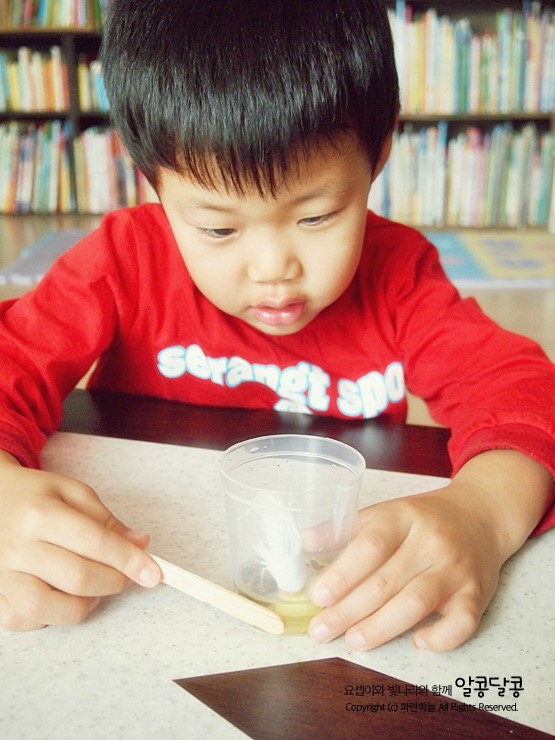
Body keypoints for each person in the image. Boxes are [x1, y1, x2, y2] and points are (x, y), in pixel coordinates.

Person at [0, 0, 553, 652]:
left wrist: (482, 514)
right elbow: (14, 360)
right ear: (152, 180)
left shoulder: (398, 276)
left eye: (315, 217)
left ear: (378, 152)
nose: (273, 269)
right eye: (218, 228)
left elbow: (521, 392)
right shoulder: (122, 261)